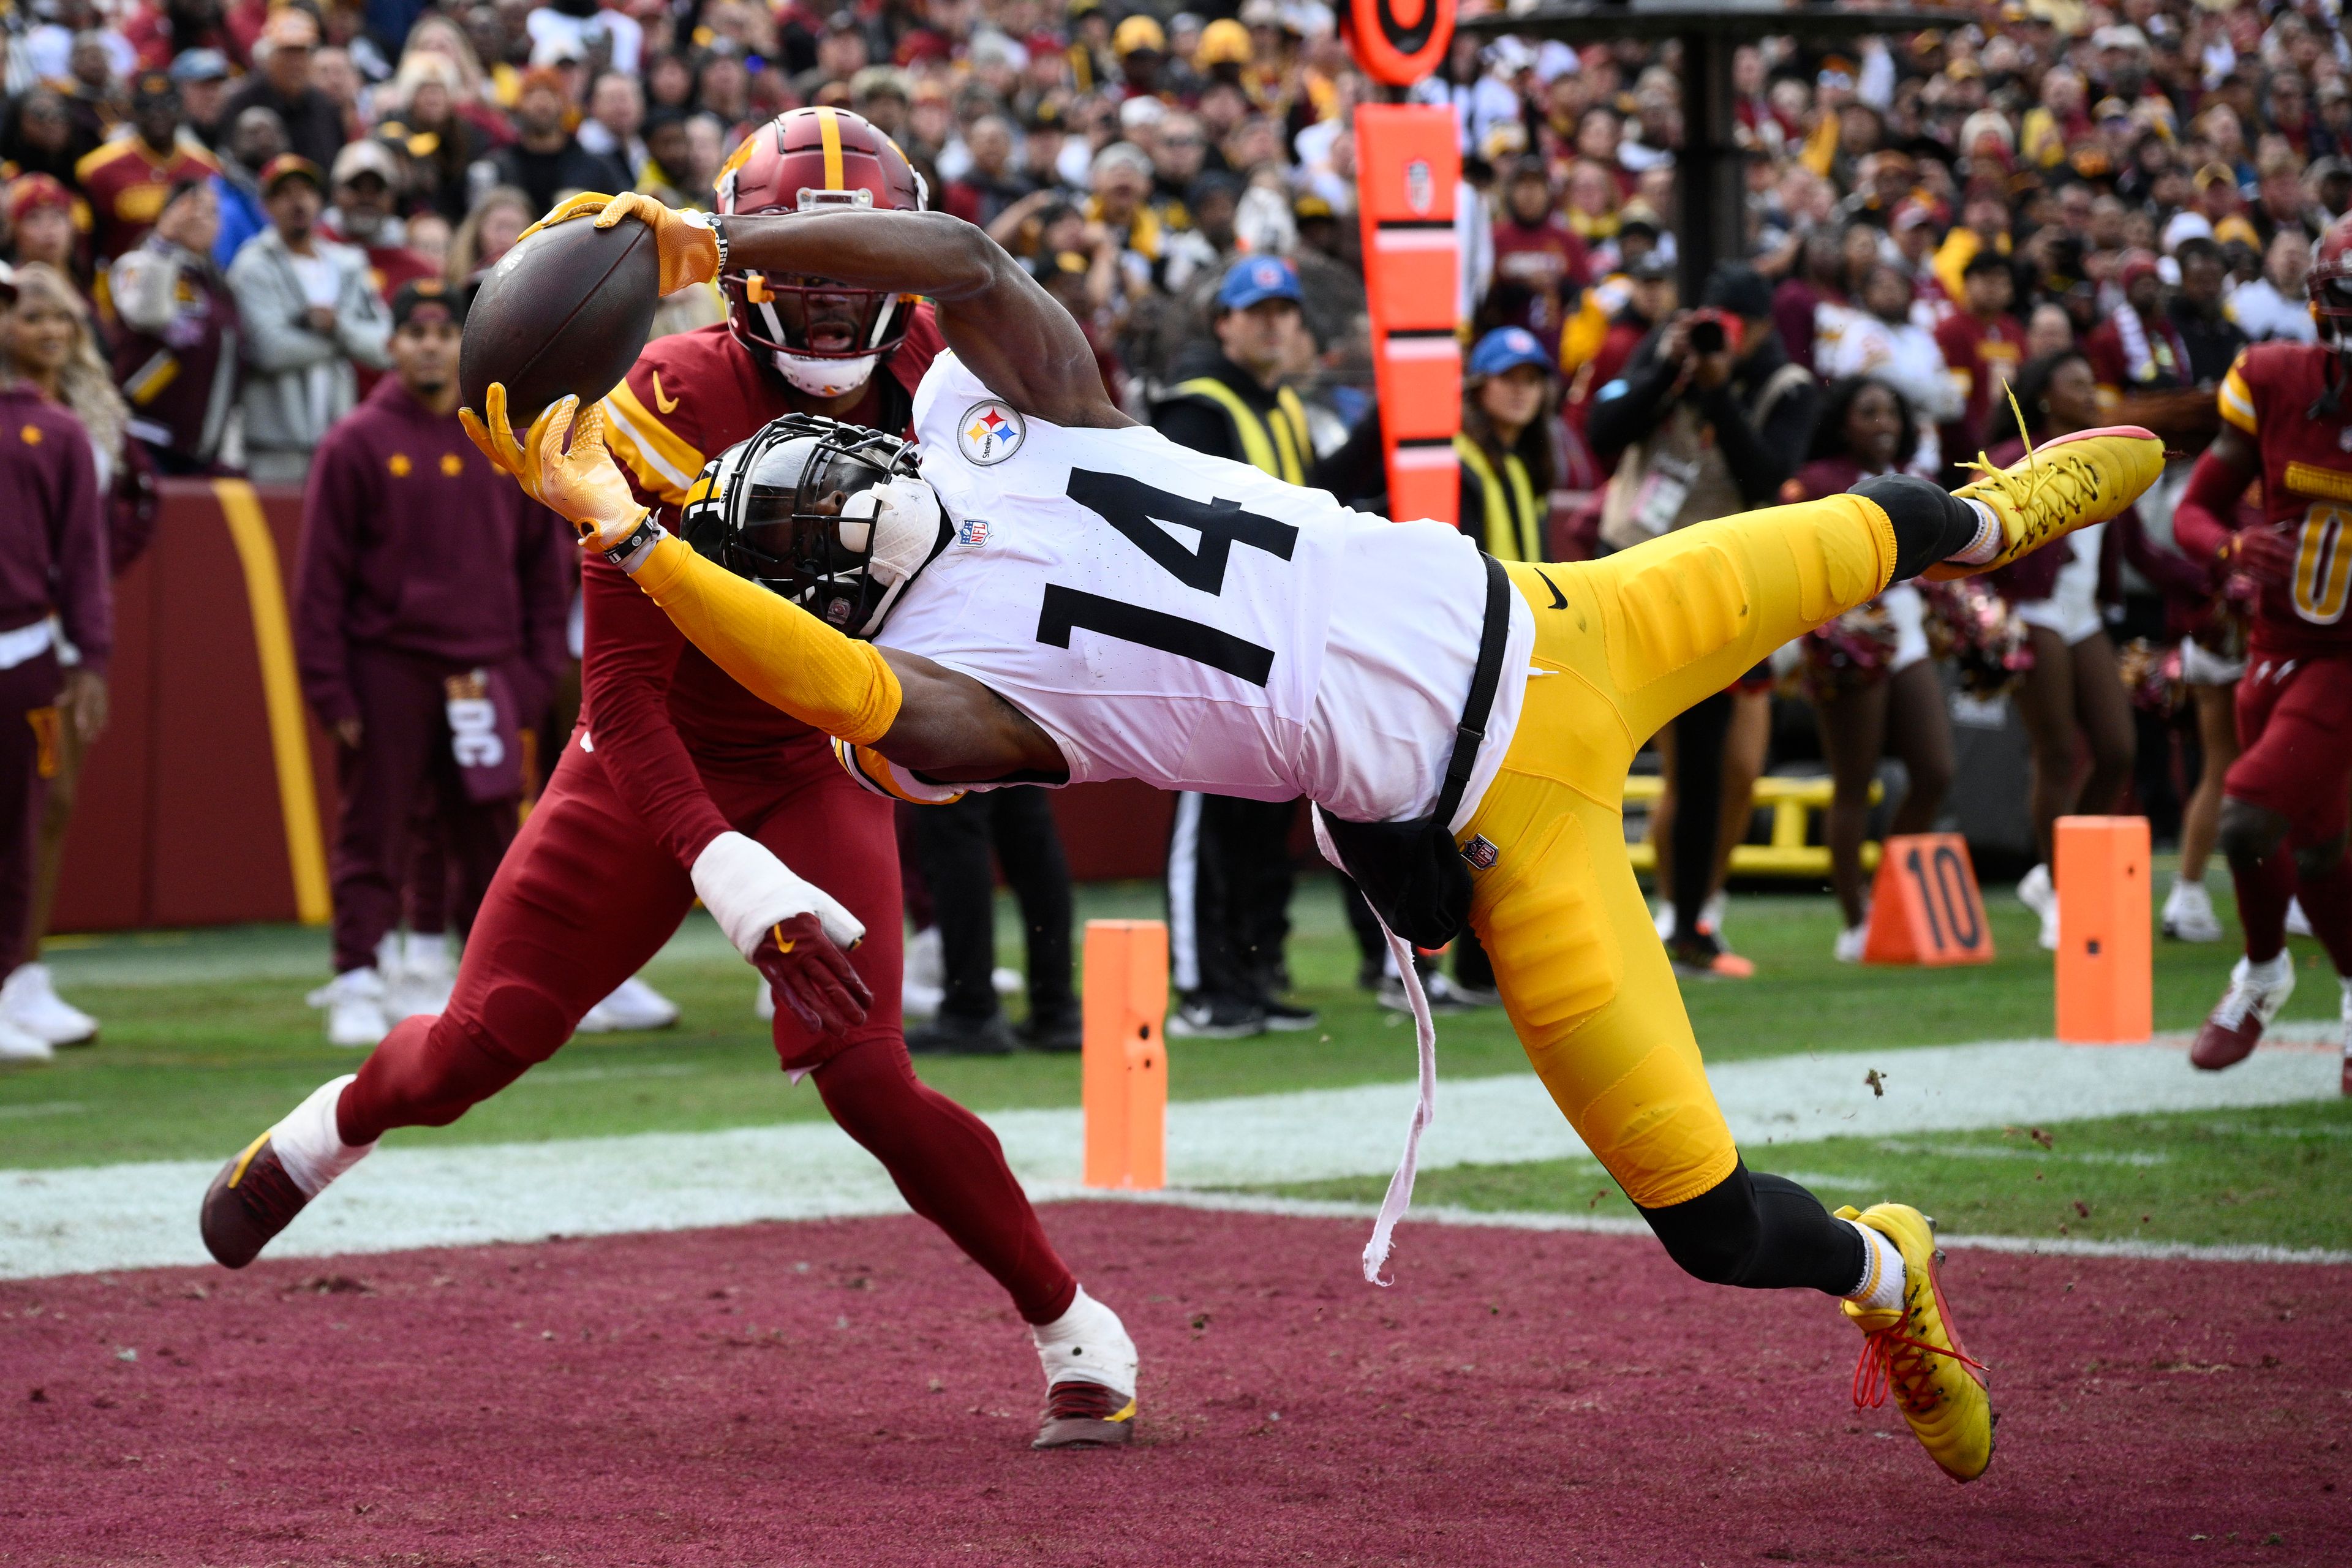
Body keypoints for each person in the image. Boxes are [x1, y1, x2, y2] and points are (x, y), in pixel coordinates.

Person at [476, 192, 2166, 1482]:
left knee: (1889, 523)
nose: (827, 482)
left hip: (1571, 617)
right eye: (798, 512)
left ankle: (1995, 509)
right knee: (1711, 1223)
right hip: (1503, 830)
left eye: (812, 464)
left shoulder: (1017, 423)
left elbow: (966, 262)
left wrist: (726, 235)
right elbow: (830, 679)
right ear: (818, 578)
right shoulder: (940, 699)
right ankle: (1884, 1271)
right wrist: (639, 543)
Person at [195, 113, 1142, 1456]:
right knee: (473, 1050)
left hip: (812, 755)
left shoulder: (947, 372)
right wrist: (728, 868)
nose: (831, 300)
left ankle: (1070, 1320)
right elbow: (624, 696)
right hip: (655, 759)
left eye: (854, 270)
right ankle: (322, 1132)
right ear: (744, 271)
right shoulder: (664, 395)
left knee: (870, 1075)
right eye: (804, 273)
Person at [291, 279, 570, 1047]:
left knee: (486, 830)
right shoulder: (355, 441)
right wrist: (330, 687)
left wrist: (532, 674)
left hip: (485, 671)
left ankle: (488, 979)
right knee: (373, 828)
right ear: (391, 347)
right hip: (390, 667)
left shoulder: (498, 437)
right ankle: (357, 975)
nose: (430, 346)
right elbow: (319, 582)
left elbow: (544, 573)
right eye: (415, 333)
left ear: (463, 345)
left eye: (444, 333)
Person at [1588, 263, 1822, 977]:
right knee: (1594, 739)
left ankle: (1688, 924)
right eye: (1707, 322)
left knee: (1706, 763)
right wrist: (1668, 374)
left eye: (1731, 328)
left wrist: (1720, 396)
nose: (1717, 337)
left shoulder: (1789, 388)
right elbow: (1603, 432)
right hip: (1627, 568)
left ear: (1756, 330)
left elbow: (1766, 478)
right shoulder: (1662, 354)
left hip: (1714, 585)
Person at [2172, 213, 2352, 1098]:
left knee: (2246, 817)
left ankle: (2262, 974)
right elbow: (2195, 511)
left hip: (2347, 660)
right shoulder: (2278, 381)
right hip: (2274, 649)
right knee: (2318, 848)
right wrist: (2236, 552)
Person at [1150, 254, 1321, 1039]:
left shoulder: (1282, 406)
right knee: (1206, 819)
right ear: (1223, 323)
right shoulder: (1199, 408)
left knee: (1262, 820)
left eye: (1284, 311)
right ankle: (1201, 986)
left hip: (1277, 642)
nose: (1273, 324)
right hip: (1213, 641)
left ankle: (1252, 974)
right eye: (1257, 312)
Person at [1, 261, 145, 1048]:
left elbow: (99, 534)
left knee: (40, 809)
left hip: (36, 633)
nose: (48, 332)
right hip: (33, 619)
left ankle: (21, 972)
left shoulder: (76, 419)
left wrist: (89, 643)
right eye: (31, 317)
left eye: (60, 318)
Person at [1781, 378, 1953, 959]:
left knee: (1934, 769)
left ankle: (1889, 902)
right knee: (1855, 783)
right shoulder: (1817, 480)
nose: (1884, 423)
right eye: (1868, 412)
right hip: (1846, 634)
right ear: (1843, 422)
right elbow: (1794, 556)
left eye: (1892, 411)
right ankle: (1854, 921)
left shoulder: (1911, 475)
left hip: (1903, 626)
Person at [1992, 350, 2139, 952]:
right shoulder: (2011, 461)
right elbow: (1977, 535)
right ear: (2044, 396)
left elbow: (2135, 547)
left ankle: (2059, 871)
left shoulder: (2106, 457)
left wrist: (2214, 567)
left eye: (2092, 381)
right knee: (2055, 754)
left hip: (2083, 611)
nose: (2090, 390)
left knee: (2117, 750)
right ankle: (2059, 890)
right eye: (2076, 382)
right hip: (2033, 610)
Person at [227, 154, 391, 484]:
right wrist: (343, 342)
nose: (297, 201)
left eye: (305, 190)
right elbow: (269, 350)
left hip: (339, 438)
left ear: (320, 200)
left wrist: (337, 326)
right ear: (266, 206)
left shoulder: (348, 263)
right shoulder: (251, 266)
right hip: (274, 446)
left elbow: (386, 346)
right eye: (284, 193)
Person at [109, 178, 239, 473]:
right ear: (168, 213)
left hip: (202, 448)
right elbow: (147, 314)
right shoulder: (137, 263)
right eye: (191, 208)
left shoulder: (220, 285)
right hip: (145, 437)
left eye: (212, 211)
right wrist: (163, 243)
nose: (201, 218)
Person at [74, 71, 219, 268]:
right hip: (120, 285)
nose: (158, 113)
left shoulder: (208, 168)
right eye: (146, 106)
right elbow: (85, 244)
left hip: (193, 286)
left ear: (182, 110)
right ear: (133, 112)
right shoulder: (97, 170)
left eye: (168, 104)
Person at [489, 66, 630, 219]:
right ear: (519, 105)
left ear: (565, 104)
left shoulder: (596, 168)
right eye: (532, 95)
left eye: (551, 94)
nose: (542, 103)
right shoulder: (499, 167)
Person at [221, 7, 346, 173]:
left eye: (301, 53)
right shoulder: (241, 103)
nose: (295, 63)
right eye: (287, 53)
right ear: (269, 57)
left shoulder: (324, 107)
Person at [1932, 249, 2028, 468]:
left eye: (2001, 281)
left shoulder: (2013, 330)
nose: (1994, 288)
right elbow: (1956, 399)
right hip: (1965, 452)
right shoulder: (1951, 330)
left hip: (2009, 443)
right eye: (1986, 279)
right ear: (1966, 283)